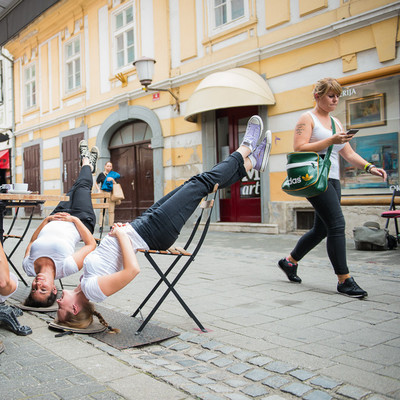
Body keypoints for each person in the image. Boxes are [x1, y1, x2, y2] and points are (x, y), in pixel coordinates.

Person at [55, 115, 272, 331]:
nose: (57, 303)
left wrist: (118, 232)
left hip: (142, 227)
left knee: (196, 182)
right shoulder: (93, 291)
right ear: (74, 309)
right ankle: (246, 148)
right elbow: (132, 270)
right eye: (60, 309)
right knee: (201, 183)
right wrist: (121, 236)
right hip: (154, 232)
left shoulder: (85, 285)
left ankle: (253, 162)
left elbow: (109, 257)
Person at [278, 78, 387, 298]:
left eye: (337, 95)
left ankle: (290, 262)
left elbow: (347, 153)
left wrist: (369, 166)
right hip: (315, 178)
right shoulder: (307, 118)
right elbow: (299, 147)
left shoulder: (336, 123)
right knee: (337, 224)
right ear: (317, 96)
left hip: (333, 179)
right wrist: (330, 141)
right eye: (330, 95)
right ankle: (344, 280)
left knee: (322, 229)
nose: (335, 99)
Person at [22, 141, 99, 308]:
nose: (37, 285)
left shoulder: (28, 267)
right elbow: (91, 244)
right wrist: (74, 220)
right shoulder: (66, 267)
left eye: (34, 289)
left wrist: (46, 220)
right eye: (43, 290)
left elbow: (31, 242)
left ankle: (89, 165)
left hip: (55, 217)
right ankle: (86, 161)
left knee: (75, 187)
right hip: (81, 219)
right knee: (83, 186)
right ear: (54, 290)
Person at [95, 161, 120, 229]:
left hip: (111, 193)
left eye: (110, 166)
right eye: (108, 166)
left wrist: (113, 181)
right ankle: (101, 226)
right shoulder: (101, 174)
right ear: (105, 166)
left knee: (111, 211)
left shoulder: (113, 174)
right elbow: (96, 183)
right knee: (102, 210)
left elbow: (116, 185)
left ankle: (111, 226)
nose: (109, 167)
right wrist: (98, 190)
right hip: (103, 193)